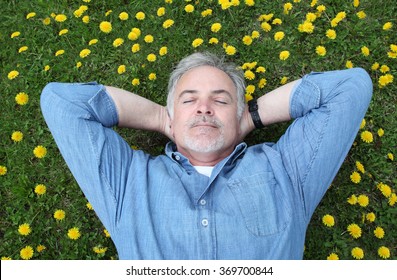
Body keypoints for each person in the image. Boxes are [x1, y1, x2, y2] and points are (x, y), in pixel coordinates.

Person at [40, 52, 372, 259]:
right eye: (188, 100)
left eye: (221, 100)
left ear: (237, 113)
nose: (203, 108)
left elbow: (350, 87)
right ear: (172, 113)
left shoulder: (287, 171)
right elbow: (61, 102)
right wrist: (160, 118)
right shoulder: (127, 183)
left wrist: (251, 117)